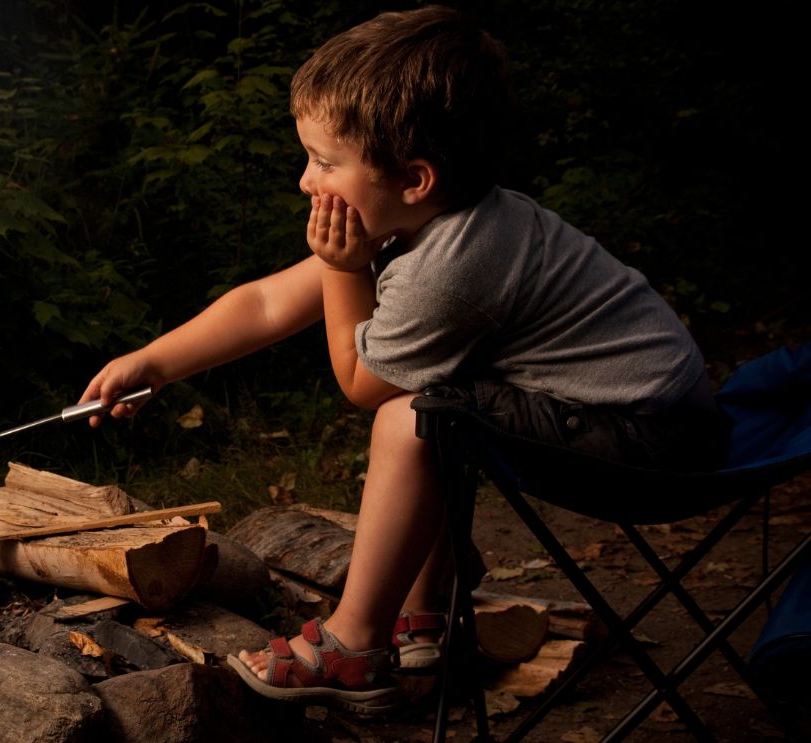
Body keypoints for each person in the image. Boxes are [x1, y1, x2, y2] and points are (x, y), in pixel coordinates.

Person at [78, 6, 731, 712]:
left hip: (649, 440)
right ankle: (424, 616)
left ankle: (352, 643)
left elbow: (359, 384)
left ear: (413, 178)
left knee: (411, 414)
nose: (304, 181)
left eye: (325, 162)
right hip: (649, 411)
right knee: (441, 399)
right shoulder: (418, 219)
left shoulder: (454, 262)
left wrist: (340, 269)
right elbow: (267, 302)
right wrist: (153, 362)